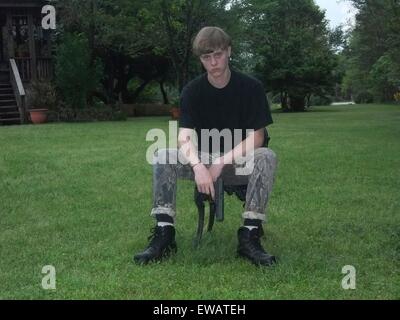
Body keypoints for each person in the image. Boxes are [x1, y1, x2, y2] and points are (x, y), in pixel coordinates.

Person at [134, 26, 278, 267]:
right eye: (206, 57)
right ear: (201, 59)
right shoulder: (193, 91)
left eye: (218, 55)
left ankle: (250, 236)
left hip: (240, 161)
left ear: (229, 51)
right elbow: (184, 137)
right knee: (163, 155)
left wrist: (222, 161)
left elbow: (257, 138)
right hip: (205, 158)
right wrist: (199, 165)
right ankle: (164, 233)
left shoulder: (251, 87)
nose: (213, 62)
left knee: (267, 156)